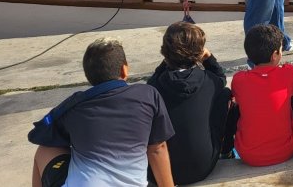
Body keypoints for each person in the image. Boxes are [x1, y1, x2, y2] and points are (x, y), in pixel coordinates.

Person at [28, 38, 175, 187]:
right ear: (124, 70)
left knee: (44, 150)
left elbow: (40, 135)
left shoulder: (73, 106)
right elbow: (157, 149)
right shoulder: (148, 95)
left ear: (88, 76)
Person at [146, 22, 233, 185]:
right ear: (199, 53)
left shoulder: (154, 87)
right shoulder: (210, 81)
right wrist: (209, 58)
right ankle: (226, 149)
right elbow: (221, 79)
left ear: (165, 54)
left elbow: (151, 81)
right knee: (225, 94)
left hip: (163, 170)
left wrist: (167, 60)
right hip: (203, 165)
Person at [231, 24, 293, 166]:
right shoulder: (288, 73)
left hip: (248, 155)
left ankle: (226, 150)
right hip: (286, 151)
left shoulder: (239, 80)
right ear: (275, 55)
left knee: (238, 108)